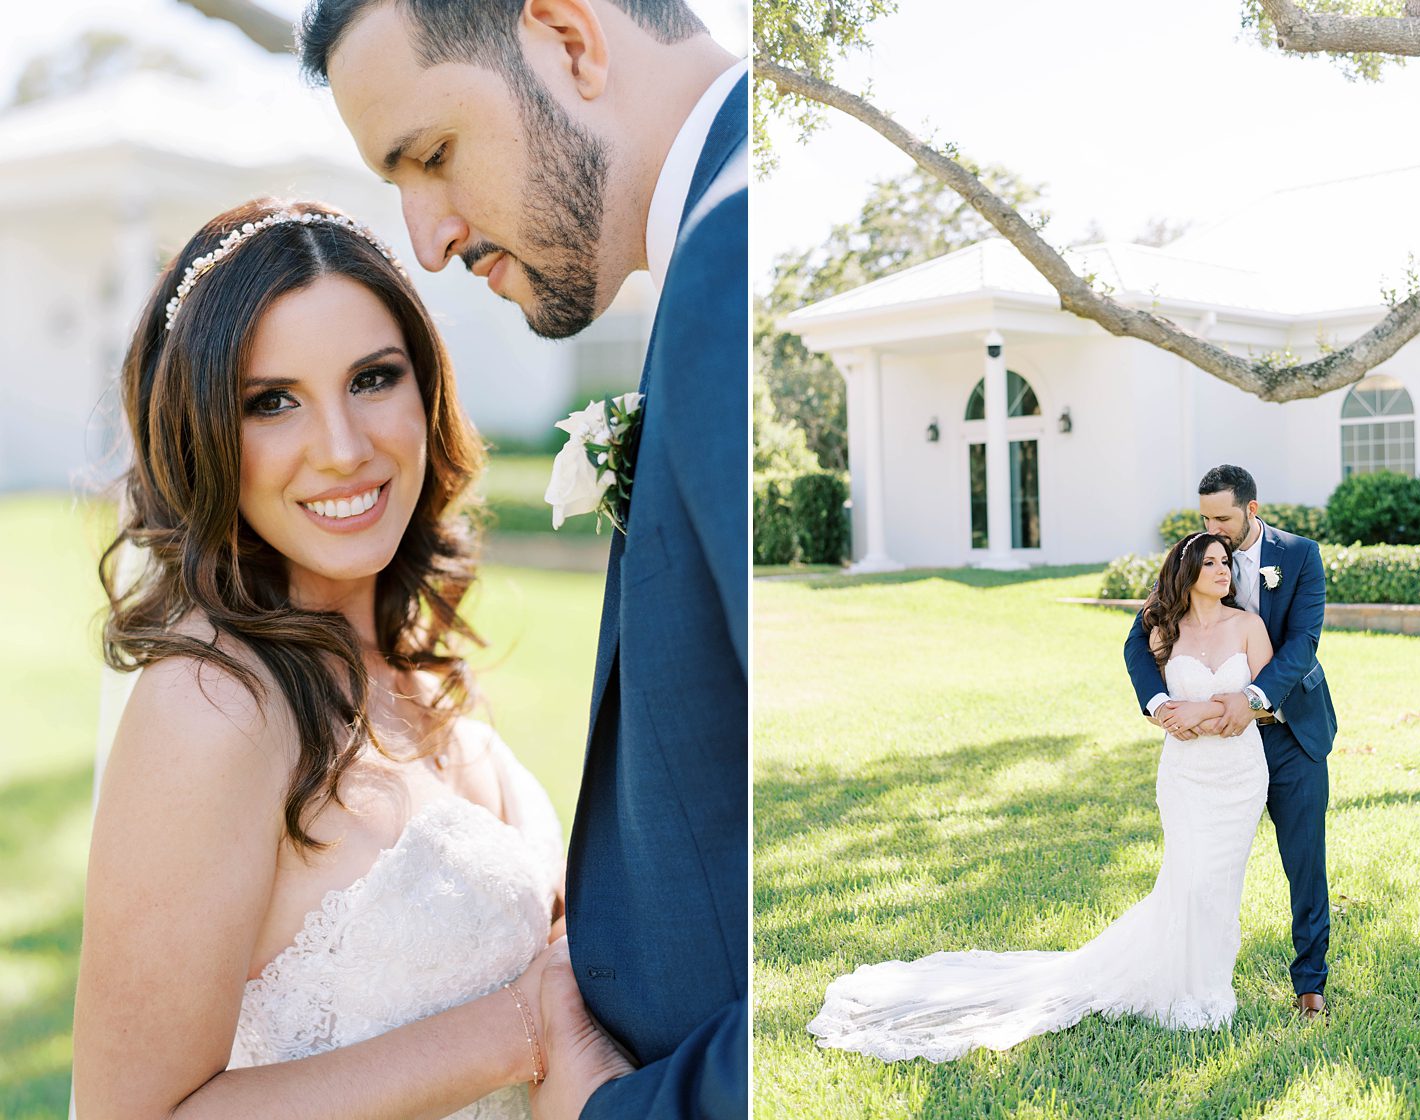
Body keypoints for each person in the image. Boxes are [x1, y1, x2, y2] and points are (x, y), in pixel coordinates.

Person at [300, 1, 748, 1116]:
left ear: (570, 38)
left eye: (434, 154)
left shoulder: (732, 259)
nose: (427, 241)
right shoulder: (713, 251)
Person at [73, 198, 567, 1119]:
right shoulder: (212, 706)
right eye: (271, 402)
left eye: (373, 379)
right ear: (202, 433)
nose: (342, 450)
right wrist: (520, 1030)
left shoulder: (417, 675)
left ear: (426, 391)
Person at [808, 533, 1271, 1060]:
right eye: (1209, 562)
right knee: (1187, 878)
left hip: (1238, 776)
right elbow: (1158, 700)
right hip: (1186, 777)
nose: (1222, 570)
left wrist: (1201, 712)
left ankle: (1207, 981)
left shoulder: (1249, 626)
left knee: (1220, 881)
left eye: (1226, 562)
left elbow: (1266, 703)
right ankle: (1182, 983)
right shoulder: (1165, 631)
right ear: (1186, 573)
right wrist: (1174, 710)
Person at [1126, 464, 1337, 1020]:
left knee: (1305, 861)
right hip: (1211, 754)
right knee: (1203, 870)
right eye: (1204, 518)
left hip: (1289, 733)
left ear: (1252, 508)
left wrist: (1251, 699)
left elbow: (1302, 645)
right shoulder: (1195, 557)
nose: (1213, 530)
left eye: (1223, 518)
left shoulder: (1300, 556)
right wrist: (1160, 705)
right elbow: (1137, 639)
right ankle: (1192, 970)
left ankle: (1310, 984)